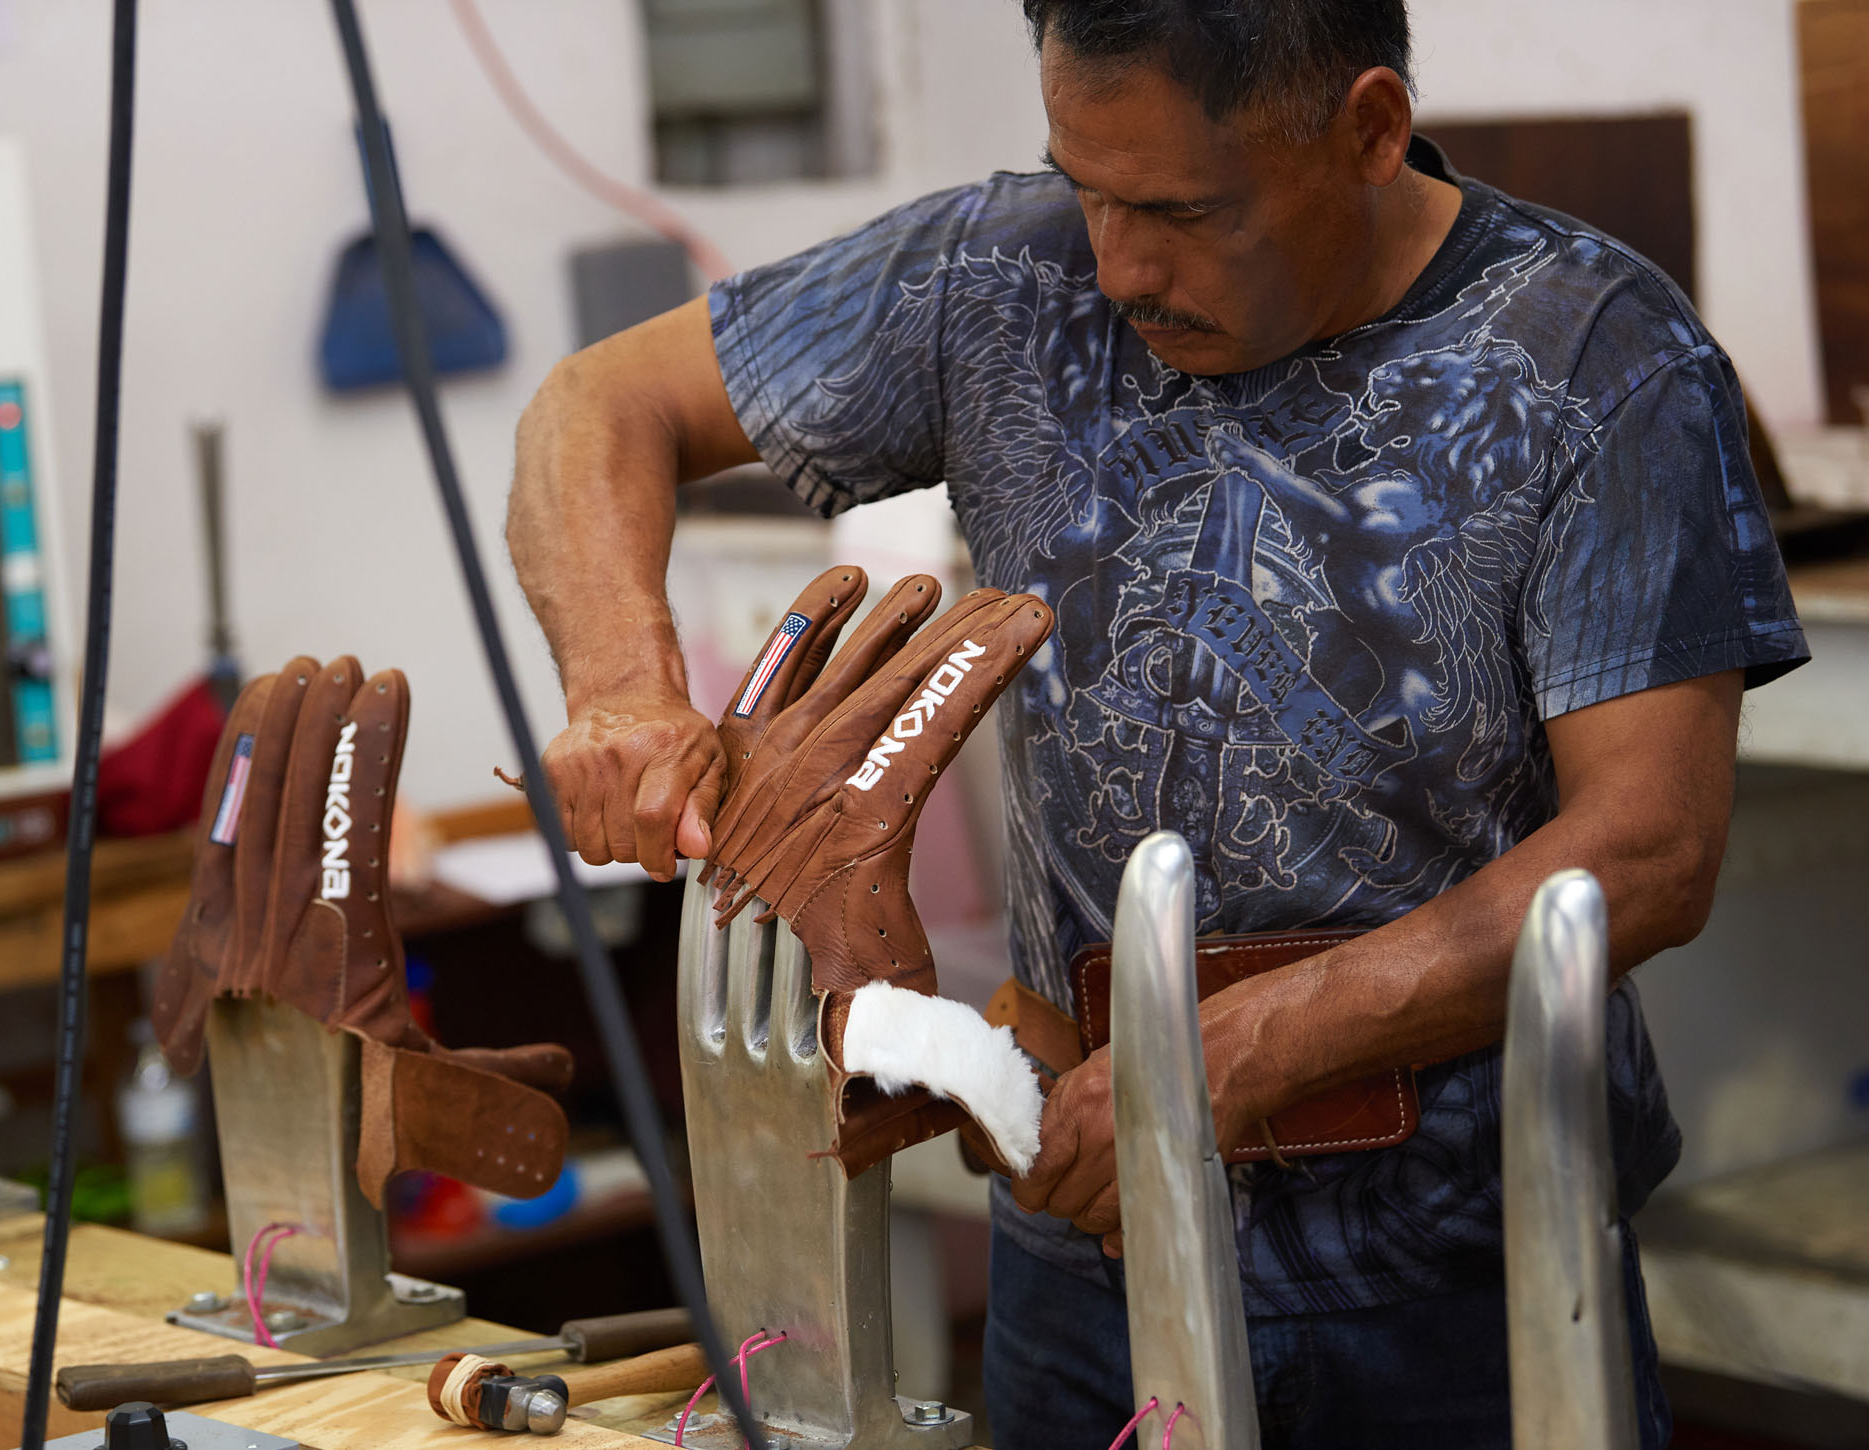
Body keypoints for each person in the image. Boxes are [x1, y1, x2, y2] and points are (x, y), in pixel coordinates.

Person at [504, 2, 1808, 1444]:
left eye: (1185, 210)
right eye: (1088, 186)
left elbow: (1646, 849)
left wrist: (1236, 1056)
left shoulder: (1594, 361)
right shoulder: (997, 276)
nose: (1118, 267)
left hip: (1468, 1281)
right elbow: (597, 404)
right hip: (1087, 1268)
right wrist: (621, 682)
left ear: (1369, 129)